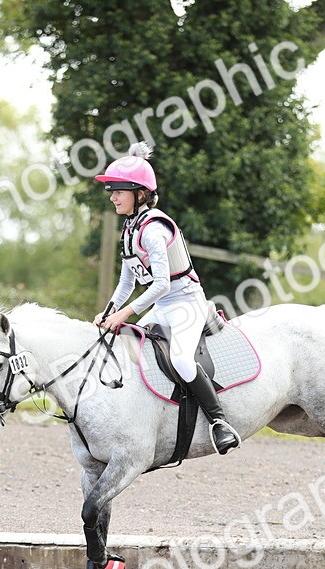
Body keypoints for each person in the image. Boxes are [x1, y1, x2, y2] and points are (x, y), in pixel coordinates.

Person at [93, 142, 240, 455]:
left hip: (186, 304)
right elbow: (126, 280)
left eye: (119, 190)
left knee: (181, 359)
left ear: (140, 193)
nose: (113, 196)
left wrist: (124, 314)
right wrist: (108, 312)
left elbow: (160, 284)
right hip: (162, 306)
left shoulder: (153, 230)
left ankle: (218, 422)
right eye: (112, 190)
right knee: (127, 348)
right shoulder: (129, 229)